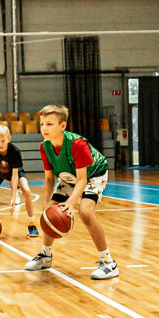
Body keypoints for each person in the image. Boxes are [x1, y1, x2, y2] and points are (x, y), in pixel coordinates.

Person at [24, 104, 119, 280]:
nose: (44, 128)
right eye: (42, 124)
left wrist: (70, 202)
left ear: (63, 126)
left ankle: (108, 262)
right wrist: (45, 206)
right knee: (50, 212)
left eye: (50, 124)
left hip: (93, 174)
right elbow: (49, 180)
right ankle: (46, 255)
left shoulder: (77, 144)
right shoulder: (44, 146)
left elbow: (82, 179)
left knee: (85, 212)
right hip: (69, 176)